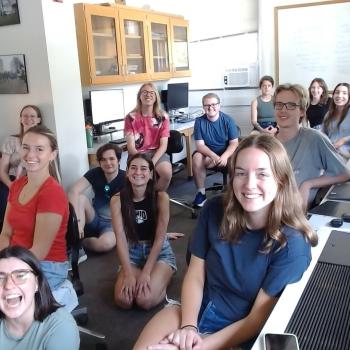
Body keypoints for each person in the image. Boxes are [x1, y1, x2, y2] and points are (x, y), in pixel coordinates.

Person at [133, 133, 318, 350]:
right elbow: (195, 274)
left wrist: (198, 347)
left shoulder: (293, 245)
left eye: (262, 174)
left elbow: (257, 318)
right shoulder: (214, 209)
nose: (249, 184)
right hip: (196, 311)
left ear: (281, 179)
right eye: (241, 173)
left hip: (240, 331)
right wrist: (189, 328)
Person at [0, 125, 76, 308]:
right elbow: (5, 233)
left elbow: (39, 251)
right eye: (25, 147)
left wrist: (6, 269)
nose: (30, 154)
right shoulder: (18, 185)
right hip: (15, 258)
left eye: (39, 149)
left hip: (45, 265)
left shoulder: (51, 193)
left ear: (52, 154)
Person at [110, 153, 176, 310]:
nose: (138, 172)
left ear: (151, 174)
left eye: (143, 168)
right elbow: (120, 238)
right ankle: (147, 277)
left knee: (144, 301)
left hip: (159, 252)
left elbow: (160, 238)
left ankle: (161, 279)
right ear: (126, 172)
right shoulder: (117, 200)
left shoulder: (161, 197)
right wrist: (127, 273)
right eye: (133, 168)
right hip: (132, 251)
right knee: (123, 300)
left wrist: (146, 272)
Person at [274, 83, 350, 209]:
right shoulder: (268, 144)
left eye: (291, 105)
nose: (283, 109)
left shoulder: (315, 139)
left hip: (296, 215)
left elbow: (344, 174)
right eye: (279, 104)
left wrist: (308, 184)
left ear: (302, 111)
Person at [0, 246, 80, 349]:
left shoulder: (61, 327)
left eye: (20, 276)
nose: (8, 285)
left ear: (36, 283)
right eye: (0, 278)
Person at [69, 143, 125, 253]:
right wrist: (77, 223)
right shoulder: (95, 173)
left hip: (112, 224)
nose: (108, 163)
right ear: (99, 162)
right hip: (94, 217)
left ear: (118, 160)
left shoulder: (126, 178)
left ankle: (80, 243)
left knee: (104, 244)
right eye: (103, 160)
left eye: (111, 159)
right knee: (80, 198)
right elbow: (73, 191)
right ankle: (76, 237)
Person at [192, 92, 239, 207]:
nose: (210, 107)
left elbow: (234, 143)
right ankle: (201, 194)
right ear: (203, 107)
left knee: (239, 159)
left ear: (219, 106)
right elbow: (200, 146)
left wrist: (224, 157)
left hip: (227, 154)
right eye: (207, 105)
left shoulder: (228, 120)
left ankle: (235, 194)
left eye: (213, 104)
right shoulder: (199, 121)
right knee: (197, 157)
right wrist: (214, 156)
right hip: (209, 155)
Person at [0, 105, 42, 230]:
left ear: (39, 120)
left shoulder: (43, 140)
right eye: (25, 116)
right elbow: (2, 170)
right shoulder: (11, 140)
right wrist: (10, 185)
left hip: (32, 179)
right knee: (5, 197)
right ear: (20, 119)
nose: (28, 118)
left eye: (32, 116)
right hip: (11, 180)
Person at [124, 83, 172, 191]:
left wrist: (151, 163)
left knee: (166, 173)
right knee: (136, 178)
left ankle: (155, 196)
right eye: (144, 92)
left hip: (157, 153)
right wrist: (143, 162)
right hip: (137, 154)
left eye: (151, 93)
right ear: (139, 96)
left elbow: (163, 146)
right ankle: (142, 198)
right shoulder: (130, 117)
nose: (148, 95)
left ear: (156, 97)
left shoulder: (163, 117)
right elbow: (131, 147)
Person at [321, 83, 350, 160]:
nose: (339, 95)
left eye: (344, 93)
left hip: (344, 154)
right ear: (333, 95)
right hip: (329, 150)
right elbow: (323, 133)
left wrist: (344, 140)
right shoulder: (329, 114)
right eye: (337, 92)